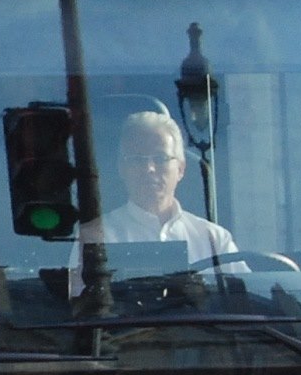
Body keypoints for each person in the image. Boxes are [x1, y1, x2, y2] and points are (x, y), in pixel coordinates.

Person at [94, 109, 238, 266]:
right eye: (137, 159)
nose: (149, 168)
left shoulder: (214, 241)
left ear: (181, 169)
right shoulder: (96, 238)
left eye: (161, 158)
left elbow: (245, 290)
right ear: (122, 168)